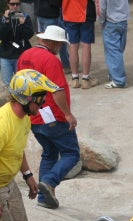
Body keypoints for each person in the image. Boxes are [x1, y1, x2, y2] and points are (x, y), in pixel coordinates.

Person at [0, 69, 58, 221]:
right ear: (25, 98)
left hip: (9, 183)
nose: (43, 102)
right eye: (40, 97)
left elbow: (18, 150)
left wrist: (28, 175)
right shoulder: (3, 124)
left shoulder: (23, 119)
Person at [17, 25, 79, 209]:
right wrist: (67, 114)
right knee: (71, 154)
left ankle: (44, 199)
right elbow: (57, 89)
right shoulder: (50, 59)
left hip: (33, 116)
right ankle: (50, 182)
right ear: (52, 42)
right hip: (53, 116)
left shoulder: (24, 56)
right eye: (59, 44)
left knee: (49, 153)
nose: (60, 47)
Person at [62, 0, 98, 88]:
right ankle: (85, 79)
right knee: (86, 45)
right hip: (85, 12)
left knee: (73, 46)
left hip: (69, 12)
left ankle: (75, 79)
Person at [0, 0, 34, 88]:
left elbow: (29, 35)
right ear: (8, 5)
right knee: (8, 85)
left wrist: (22, 24)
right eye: (12, 4)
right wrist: (6, 21)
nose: (15, 6)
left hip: (21, 54)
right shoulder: (3, 19)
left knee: (22, 83)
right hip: (6, 55)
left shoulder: (25, 17)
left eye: (17, 4)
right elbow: (1, 36)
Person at [97, 0, 129, 89]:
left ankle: (118, 80)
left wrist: (101, 21)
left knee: (113, 51)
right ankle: (115, 74)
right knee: (119, 49)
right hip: (123, 19)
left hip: (111, 21)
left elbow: (101, 8)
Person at [34, 0, 71, 69]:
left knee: (44, 42)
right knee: (56, 41)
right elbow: (55, 2)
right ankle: (64, 64)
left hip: (39, 12)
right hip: (50, 14)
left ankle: (45, 64)